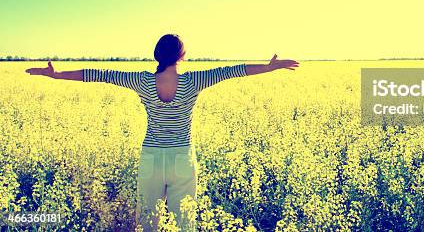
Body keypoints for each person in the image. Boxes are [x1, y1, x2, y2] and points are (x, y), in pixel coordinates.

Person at [25, 34, 299, 230]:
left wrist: (57, 74)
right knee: (184, 223)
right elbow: (233, 71)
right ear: (182, 56)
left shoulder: (141, 80)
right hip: (182, 157)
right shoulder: (194, 80)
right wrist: (268, 67)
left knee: (147, 223)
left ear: (158, 55)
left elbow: (99, 73)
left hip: (151, 158)